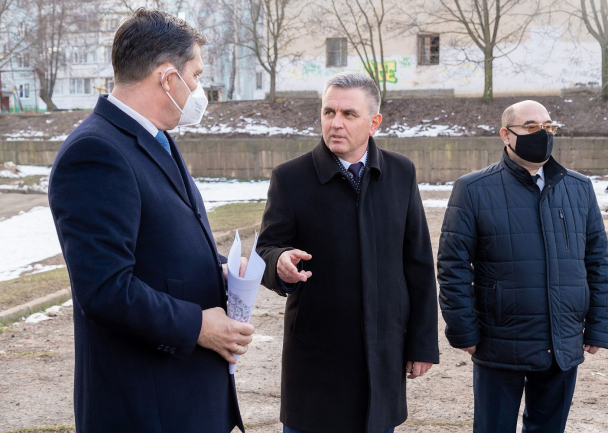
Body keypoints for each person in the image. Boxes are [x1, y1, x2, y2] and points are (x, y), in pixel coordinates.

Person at [48, 9, 254, 432]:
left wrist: (218, 268)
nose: (198, 89)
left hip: (185, 399)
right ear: (167, 78)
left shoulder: (154, 137)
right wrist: (199, 326)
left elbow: (158, 246)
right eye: (195, 75)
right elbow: (105, 289)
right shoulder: (95, 152)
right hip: (147, 408)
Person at [256, 72, 439, 433]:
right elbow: (266, 248)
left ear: (374, 123)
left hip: (382, 352)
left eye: (348, 114)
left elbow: (418, 263)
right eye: (329, 112)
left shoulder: (401, 172)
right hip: (316, 360)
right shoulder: (290, 178)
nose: (335, 123)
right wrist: (279, 262)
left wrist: (422, 344)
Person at [437, 100, 608, 433]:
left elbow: (598, 262)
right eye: (531, 127)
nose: (542, 133)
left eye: (548, 126)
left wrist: (600, 326)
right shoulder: (473, 189)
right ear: (505, 135)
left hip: (562, 342)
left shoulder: (579, 188)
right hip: (499, 341)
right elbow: (453, 266)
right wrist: (462, 329)